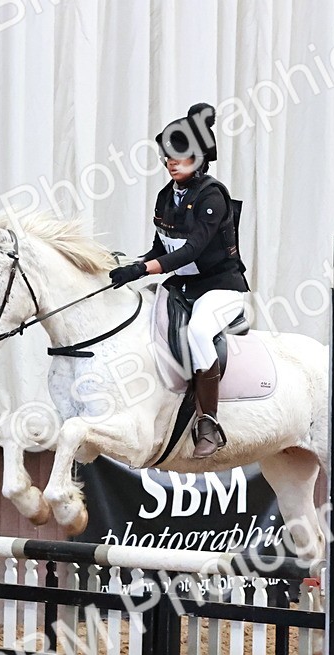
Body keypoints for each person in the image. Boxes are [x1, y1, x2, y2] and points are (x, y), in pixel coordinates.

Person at [109, 102, 249, 458]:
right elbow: (161, 247)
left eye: (180, 155)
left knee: (199, 331)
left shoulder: (212, 195)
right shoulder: (166, 196)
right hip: (183, 288)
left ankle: (209, 423)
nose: (171, 162)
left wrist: (144, 270)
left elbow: (190, 250)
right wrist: (130, 264)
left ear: (198, 158)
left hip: (221, 287)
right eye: (167, 156)